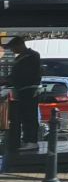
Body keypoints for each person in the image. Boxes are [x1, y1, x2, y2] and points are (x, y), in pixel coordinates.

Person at [4, 35, 42, 163]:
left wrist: (7, 80)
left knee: (29, 115)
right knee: (25, 115)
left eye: (13, 48)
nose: (12, 51)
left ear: (20, 45)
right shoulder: (23, 57)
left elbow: (23, 74)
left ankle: (31, 141)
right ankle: (27, 140)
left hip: (29, 89)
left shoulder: (30, 57)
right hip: (22, 90)